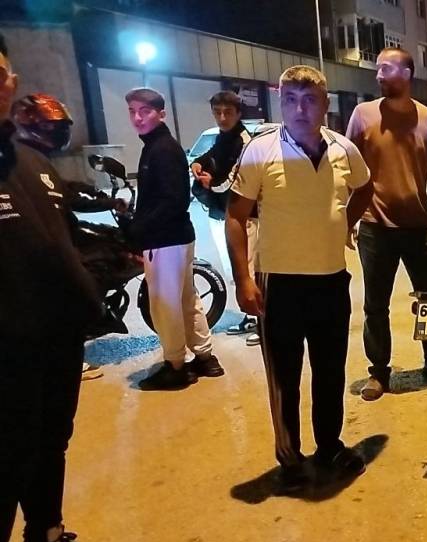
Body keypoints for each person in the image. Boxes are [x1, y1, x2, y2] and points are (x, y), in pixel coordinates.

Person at [227, 65, 371, 491]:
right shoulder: (259, 151)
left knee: (330, 372)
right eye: (290, 100)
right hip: (280, 284)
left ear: (325, 104)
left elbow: (364, 187)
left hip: (331, 280)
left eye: (309, 100)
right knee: (284, 378)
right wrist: (243, 279)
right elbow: (235, 217)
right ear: (280, 104)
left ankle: (329, 447)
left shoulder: (344, 149)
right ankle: (289, 459)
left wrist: (345, 223)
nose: (300, 109)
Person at [0, 34, 115, 542]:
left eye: (2, 75)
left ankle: (45, 536)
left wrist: (88, 294)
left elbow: (61, 242)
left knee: (50, 442)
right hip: (8, 349)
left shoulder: (33, 162)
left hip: (57, 339)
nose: (2, 84)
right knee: (8, 454)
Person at [346, 47, 427, 401]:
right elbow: (346, 168)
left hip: (419, 226)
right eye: (378, 69)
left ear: (406, 73)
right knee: (375, 305)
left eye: (385, 68)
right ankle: (378, 373)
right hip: (375, 227)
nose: (378, 75)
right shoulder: (362, 115)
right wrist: (346, 216)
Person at [11, 92, 128, 381]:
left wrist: (99, 197)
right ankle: (88, 321)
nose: (59, 131)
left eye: (62, 126)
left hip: (55, 240)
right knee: (99, 261)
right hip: (43, 255)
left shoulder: (35, 159)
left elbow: (64, 192)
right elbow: (61, 200)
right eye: (51, 126)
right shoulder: (19, 161)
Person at [125, 87, 224, 389]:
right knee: (186, 299)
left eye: (145, 111)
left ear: (161, 114)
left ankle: (176, 366)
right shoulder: (157, 146)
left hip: (165, 240)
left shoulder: (162, 150)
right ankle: (205, 357)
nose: (138, 117)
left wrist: (138, 233)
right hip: (177, 237)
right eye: (132, 112)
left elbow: (173, 201)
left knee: (164, 304)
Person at [189, 90, 260, 347]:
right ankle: (251, 317)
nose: (222, 117)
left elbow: (236, 179)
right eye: (217, 112)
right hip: (223, 214)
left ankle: (262, 321)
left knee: (249, 270)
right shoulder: (224, 137)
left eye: (227, 112)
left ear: (238, 113)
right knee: (235, 270)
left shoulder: (244, 141)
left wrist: (211, 183)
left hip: (245, 217)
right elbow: (211, 156)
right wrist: (198, 164)